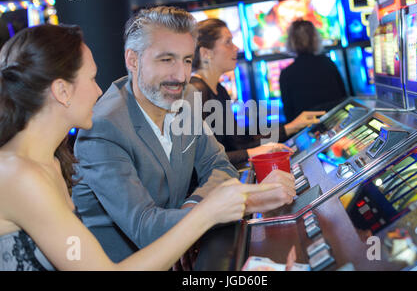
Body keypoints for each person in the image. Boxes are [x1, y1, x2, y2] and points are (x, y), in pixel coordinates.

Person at [0, 23, 281, 271]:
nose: (99, 91)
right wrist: (210, 212)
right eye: (91, 79)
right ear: (62, 91)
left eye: (185, 60)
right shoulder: (20, 175)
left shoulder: (49, 161)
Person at [71, 6, 296, 263]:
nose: (180, 75)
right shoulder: (104, 128)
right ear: (132, 60)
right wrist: (246, 202)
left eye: (187, 60)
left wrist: (193, 207)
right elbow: (146, 229)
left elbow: (219, 165)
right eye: (166, 60)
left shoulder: (185, 96)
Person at [190, 18, 326, 167]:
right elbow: (199, 161)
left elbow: (239, 143)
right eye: (228, 42)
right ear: (205, 53)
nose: (236, 47)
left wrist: (291, 126)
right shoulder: (196, 91)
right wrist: (254, 152)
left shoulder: (220, 90)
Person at [279, 19, 347, 123]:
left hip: (306, 131)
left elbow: (290, 117)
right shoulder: (328, 63)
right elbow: (344, 100)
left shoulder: (286, 74)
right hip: (336, 124)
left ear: (290, 42)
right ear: (315, 39)